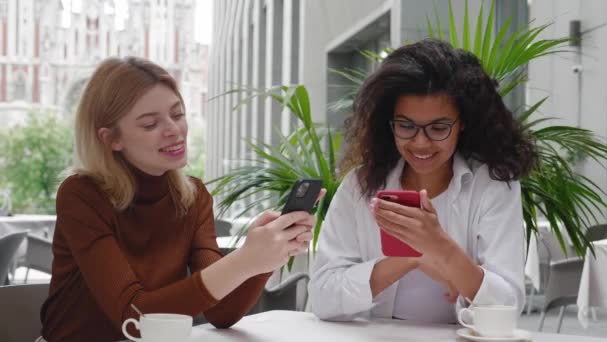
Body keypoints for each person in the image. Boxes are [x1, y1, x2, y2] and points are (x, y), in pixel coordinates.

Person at [39, 57, 317, 342]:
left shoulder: (193, 197)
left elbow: (221, 313)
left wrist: (264, 259)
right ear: (111, 139)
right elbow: (135, 319)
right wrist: (244, 261)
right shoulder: (81, 195)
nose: (174, 129)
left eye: (178, 114)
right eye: (150, 124)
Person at [308, 39, 536, 323]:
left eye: (438, 128)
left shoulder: (493, 186)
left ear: (462, 122)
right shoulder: (360, 184)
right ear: (388, 123)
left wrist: (441, 248)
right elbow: (322, 297)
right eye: (406, 126)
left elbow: (508, 307)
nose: (420, 143)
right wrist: (411, 257)